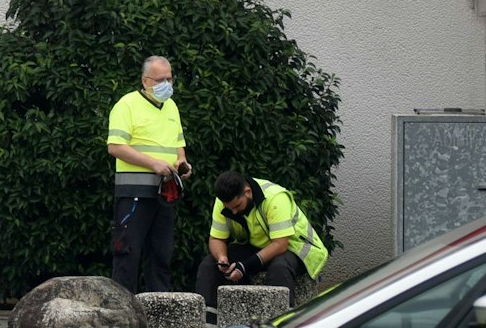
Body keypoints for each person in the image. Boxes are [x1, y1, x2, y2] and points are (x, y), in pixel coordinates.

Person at [106, 55, 191, 293]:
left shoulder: (171, 106)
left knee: (161, 255)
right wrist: (153, 164)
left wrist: (182, 162)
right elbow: (115, 147)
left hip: (164, 192)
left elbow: (178, 144)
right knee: (127, 253)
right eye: (160, 80)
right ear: (145, 81)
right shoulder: (127, 105)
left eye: (170, 79)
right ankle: (123, 311)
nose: (167, 85)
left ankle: (159, 308)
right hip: (134, 193)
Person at [195, 171, 329, 314]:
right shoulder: (224, 202)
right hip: (259, 246)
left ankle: (281, 320)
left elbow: (281, 244)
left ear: (247, 192)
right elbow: (216, 239)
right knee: (209, 265)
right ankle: (207, 321)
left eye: (237, 206)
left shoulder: (275, 198)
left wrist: (246, 266)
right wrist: (222, 258)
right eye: (229, 208)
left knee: (279, 268)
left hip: (296, 247)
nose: (233, 212)